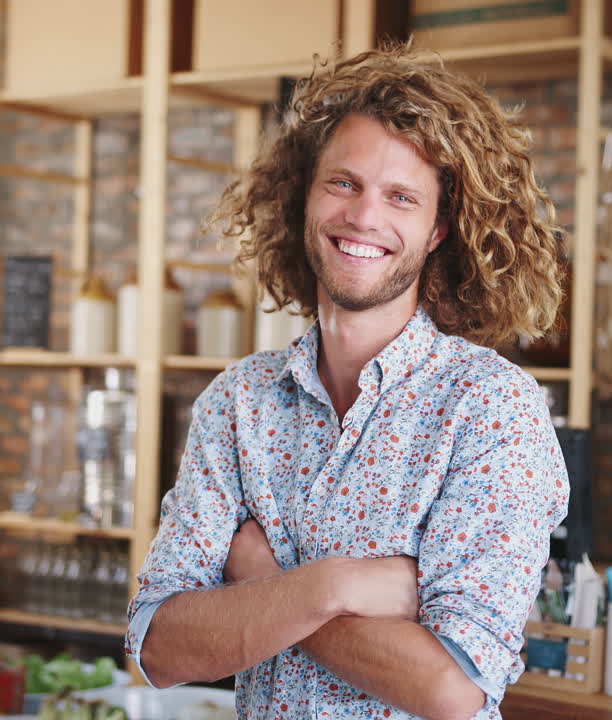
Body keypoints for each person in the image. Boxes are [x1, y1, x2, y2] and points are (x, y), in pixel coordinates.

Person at [125, 45, 570, 720]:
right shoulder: (239, 403)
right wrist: (335, 585)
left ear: (438, 228)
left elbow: (453, 689)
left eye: (401, 197)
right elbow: (159, 648)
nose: (364, 217)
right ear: (304, 195)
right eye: (344, 183)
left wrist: (266, 584)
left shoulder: (491, 408)